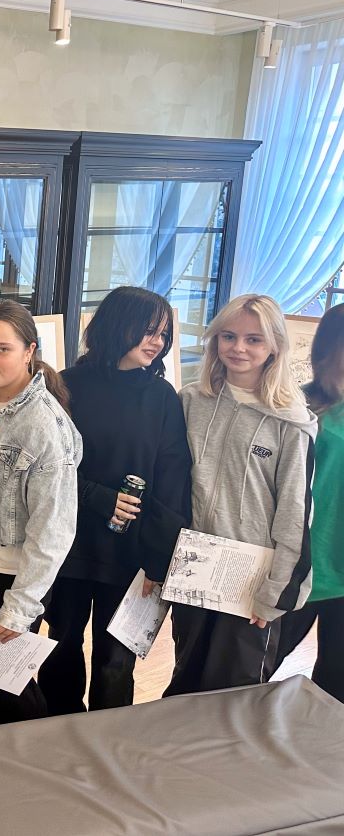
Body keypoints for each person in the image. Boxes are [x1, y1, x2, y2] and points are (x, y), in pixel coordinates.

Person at [38, 287, 191, 714]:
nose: (157, 342)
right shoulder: (66, 385)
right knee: (61, 646)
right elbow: (47, 466)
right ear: (116, 325)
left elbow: (173, 481)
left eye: (163, 334)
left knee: (116, 662)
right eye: (148, 330)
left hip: (132, 552)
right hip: (67, 544)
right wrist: (97, 497)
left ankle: (108, 742)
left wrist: (161, 558)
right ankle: (57, 731)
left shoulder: (162, 398)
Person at [165, 294, 317, 697]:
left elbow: (295, 513)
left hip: (250, 581)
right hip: (194, 569)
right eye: (228, 336)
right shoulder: (190, 401)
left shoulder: (292, 422)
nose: (238, 348)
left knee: (234, 697)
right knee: (184, 685)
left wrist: (274, 594)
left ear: (274, 347)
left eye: (254, 339)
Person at [0, 299, 81, 729]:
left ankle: (34, 766)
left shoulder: (44, 425)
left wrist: (19, 608)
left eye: (2, 349)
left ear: (30, 351)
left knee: (9, 691)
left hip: (7, 578)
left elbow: (54, 530)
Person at [274, 304, 344, 702]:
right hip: (298, 566)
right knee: (250, 673)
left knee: (335, 691)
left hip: (341, 571)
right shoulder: (299, 406)